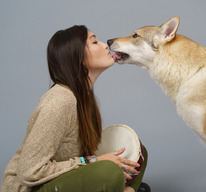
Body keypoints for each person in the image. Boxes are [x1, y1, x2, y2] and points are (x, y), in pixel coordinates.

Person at [1, 25, 150, 192]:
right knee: (109, 172)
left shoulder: (84, 99)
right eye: (94, 42)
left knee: (138, 152)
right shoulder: (60, 101)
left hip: (58, 180)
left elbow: (79, 156)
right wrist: (96, 161)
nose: (103, 44)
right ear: (77, 57)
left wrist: (100, 160)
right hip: (30, 188)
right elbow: (29, 172)